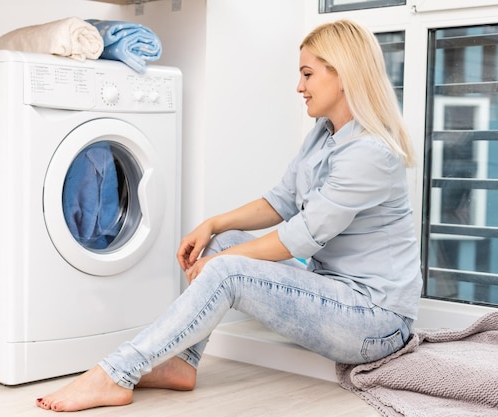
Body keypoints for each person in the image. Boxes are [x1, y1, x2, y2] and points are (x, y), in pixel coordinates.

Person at [36, 19, 422, 412]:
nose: (299, 87)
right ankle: (180, 365)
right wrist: (213, 225)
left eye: (307, 74)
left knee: (226, 266)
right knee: (222, 246)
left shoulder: (369, 152)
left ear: (343, 76)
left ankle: (115, 373)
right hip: (333, 291)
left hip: (375, 322)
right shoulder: (324, 133)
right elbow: (281, 201)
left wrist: (220, 264)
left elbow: (301, 237)